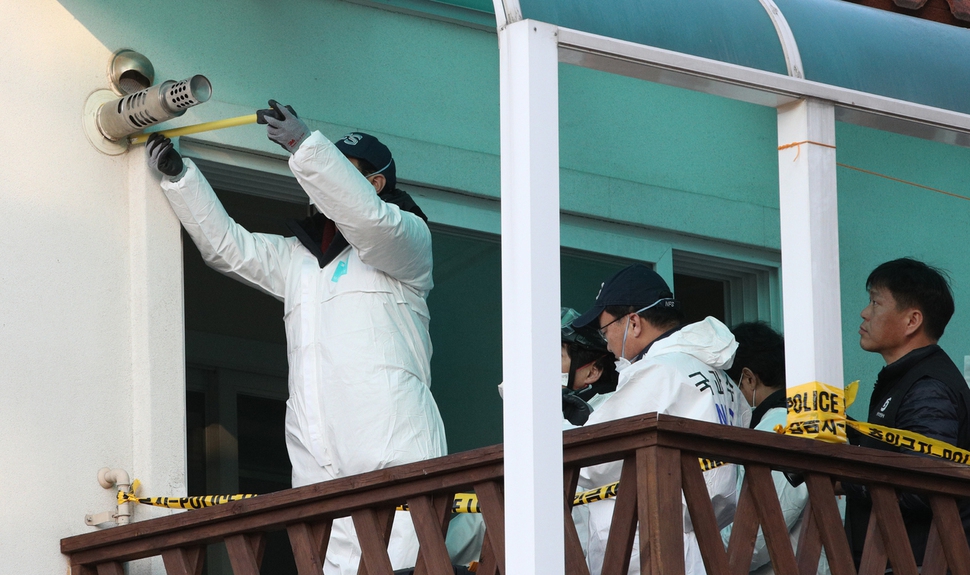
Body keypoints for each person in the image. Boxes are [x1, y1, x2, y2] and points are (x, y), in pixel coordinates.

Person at [146, 101, 446, 575]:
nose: (325, 185)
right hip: (316, 449)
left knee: (404, 564)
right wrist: (180, 178)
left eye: (343, 175)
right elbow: (227, 248)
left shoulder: (408, 241)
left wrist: (304, 146)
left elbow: (370, 222)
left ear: (375, 185)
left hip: (391, 444)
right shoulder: (299, 260)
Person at [571, 264, 751, 575]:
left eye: (605, 329)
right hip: (704, 541)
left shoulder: (658, 372)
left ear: (634, 322)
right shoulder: (721, 378)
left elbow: (592, 462)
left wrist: (542, 414)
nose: (607, 343)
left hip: (650, 546)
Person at [844, 258, 970, 567]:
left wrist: (845, 474)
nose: (864, 312)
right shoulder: (908, 379)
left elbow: (922, 486)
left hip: (919, 562)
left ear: (912, 321)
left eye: (875, 302)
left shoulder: (929, 387)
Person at [720, 322, 819, 575]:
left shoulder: (779, 428)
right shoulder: (809, 418)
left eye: (728, 388)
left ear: (749, 379)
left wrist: (704, 550)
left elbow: (757, 532)